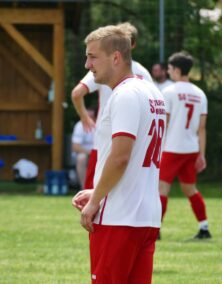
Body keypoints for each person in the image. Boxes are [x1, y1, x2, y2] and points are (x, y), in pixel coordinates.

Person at [72, 25, 165, 284]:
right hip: (146, 216)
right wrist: (98, 189)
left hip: (120, 216)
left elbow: (121, 156)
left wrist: (95, 201)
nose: (87, 64)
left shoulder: (124, 94)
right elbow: (135, 159)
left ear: (115, 57)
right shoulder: (153, 92)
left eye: (92, 56)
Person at [71, 22, 152, 190]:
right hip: (139, 150)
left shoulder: (105, 68)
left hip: (106, 144)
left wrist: (84, 117)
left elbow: (77, 93)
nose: (88, 64)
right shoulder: (145, 74)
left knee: (91, 202)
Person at [159, 51, 211, 239]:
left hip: (172, 148)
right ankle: (204, 227)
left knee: (161, 189)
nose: (168, 71)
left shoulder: (169, 92)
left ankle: (154, 229)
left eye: (170, 68)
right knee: (190, 189)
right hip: (191, 148)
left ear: (177, 70)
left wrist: (156, 148)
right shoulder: (200, 94)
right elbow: (202, 128)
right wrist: (201, 154)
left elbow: (164, 122)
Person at [72, 107, 95, 189]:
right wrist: (91, 153)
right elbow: (75, 147)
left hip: (100, 153)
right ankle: (84, 187)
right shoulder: (79, 126)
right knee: (81, 158)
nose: (90, 113)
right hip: (87, 153)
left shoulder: (102, 123)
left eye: (92, 110)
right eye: (88, 110)